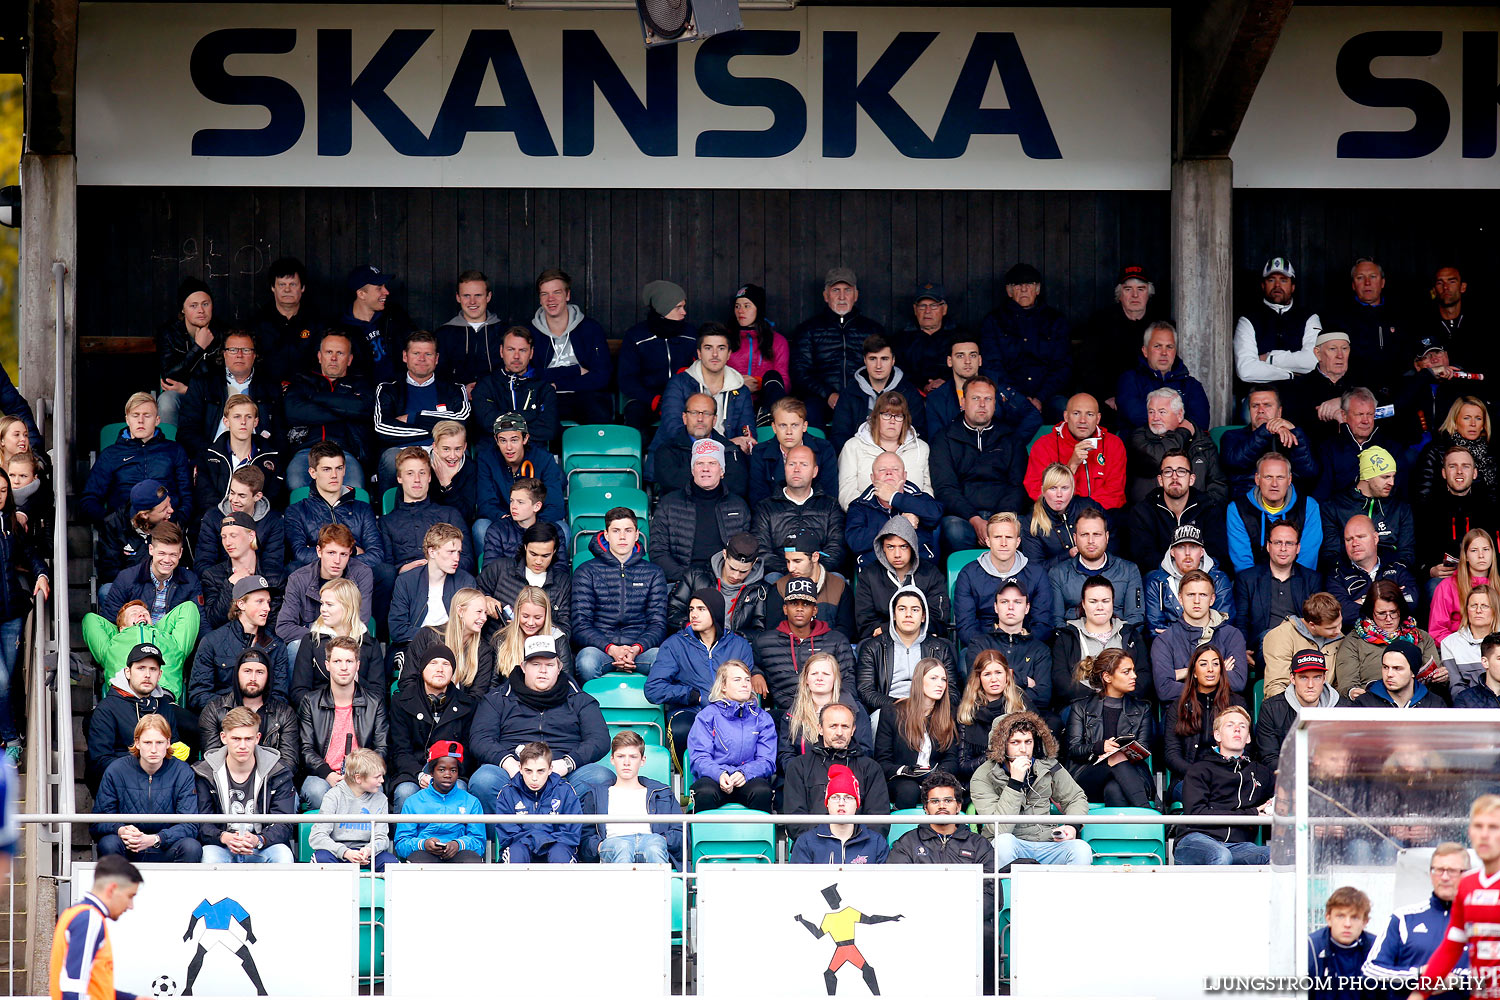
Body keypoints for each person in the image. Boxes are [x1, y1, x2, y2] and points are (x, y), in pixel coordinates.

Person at [469, 634, 613, 810]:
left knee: (600, 777)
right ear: (523, 667)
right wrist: (509, 764)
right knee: (484, 779)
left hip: (564, 772)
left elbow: (600, 739)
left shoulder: (579, 698)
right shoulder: (498, 698)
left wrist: (566, 764)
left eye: (549, 665)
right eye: (536, 664)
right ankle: (502, 837)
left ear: (559, 667)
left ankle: (577, 838)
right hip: (514, 770)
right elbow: (480, 738)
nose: (543, 670)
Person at [888, 771, 998, 981]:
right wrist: (929, 912)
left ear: (958, 807)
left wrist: (959, 912)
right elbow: (896, 887)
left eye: (948, 800)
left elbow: (993, 893)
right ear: (926, 808)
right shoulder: (907, 843)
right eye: (935, 801)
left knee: (986, 934)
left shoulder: (978, 844)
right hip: (919, 919)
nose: (942, 806)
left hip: (966, 918)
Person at [970, 710, 1092, 867]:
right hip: (1012, 842)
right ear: (1001, 745)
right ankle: (1006, 892)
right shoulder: (983, 775)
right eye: (1015, 742)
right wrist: (1015, 782)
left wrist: (1072, 826)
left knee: (1081, 848)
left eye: (1028, 742)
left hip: (1048, 842)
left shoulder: (1048, 765)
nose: (1023, 749)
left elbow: (1075, 798)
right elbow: (1000, 829)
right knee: (1004, 843)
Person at [647, 589, 754, 759]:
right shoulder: (675, 644)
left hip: (731, 711)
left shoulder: (739, 645)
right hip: (690, 710)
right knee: (682, 728)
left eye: (701, 609)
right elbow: (653, 689)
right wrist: (693, 695)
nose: (694, 614)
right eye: (691, 609)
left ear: (715, 612)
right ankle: (687, 780)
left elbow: (747, 687)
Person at [931, 376, 1031, 551]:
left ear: (995, 403)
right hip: (963, 518)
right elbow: (945, 488)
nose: (982, 404)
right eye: (976, 398)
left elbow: (1018, 485)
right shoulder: (944, 438)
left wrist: (998, 522)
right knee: (954, 530)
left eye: (988, 399)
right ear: (963, 402)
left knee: (1027, 528)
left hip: (1004, 515)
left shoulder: (1011, 438)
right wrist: (974, 519)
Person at [572, 508, 668, 682]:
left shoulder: (653, 573)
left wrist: (636, 649)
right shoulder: (587, 571)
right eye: (616, 531)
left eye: (628, 531)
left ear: (637, 534)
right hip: (600, 649)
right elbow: (580, 624)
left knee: (663, 659)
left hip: (640, 650)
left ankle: (654, 709)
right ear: (606, 535)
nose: (622, 537)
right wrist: (611, 649)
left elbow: (658, 623)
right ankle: (588, 709)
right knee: (586, 662)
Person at [85, 642, 194, 794]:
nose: (147, 675)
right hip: (122, 790)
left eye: (153, 669)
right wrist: (143, 764)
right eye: (141, 668)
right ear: (128, 672)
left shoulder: (165, 706)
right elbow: (100, 762)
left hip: (162, 789)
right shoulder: (106, 709)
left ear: (160, 674)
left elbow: (172, 745)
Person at [1364, 841, 1473, 993]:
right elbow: (1371, 970)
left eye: (1452, 871)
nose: (1445, 877)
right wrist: (1419, 973)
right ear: (1430, 874)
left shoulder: (1485, 922)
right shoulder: (1403, 918)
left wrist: (1458, 980)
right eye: (1439, 870)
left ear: (1467, 874)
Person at [193, 707, 297, 863]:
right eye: (236, 739)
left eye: (248, 739)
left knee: (283, 855)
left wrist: (259, 839)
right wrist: (223, 837)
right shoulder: (205, 772)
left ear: (257, 738)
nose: (242, 745)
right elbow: (201, 821)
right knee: (208, 857)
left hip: (262, 844)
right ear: (223, 737)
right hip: (221, 845)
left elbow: (284, 823)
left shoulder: (277, 771)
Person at [93, 714, 202, 863]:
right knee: (109, 843)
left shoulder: (182, 771)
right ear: (137, 743)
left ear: (168, 743)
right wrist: (121, 830)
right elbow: (98, 821)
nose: (154, 749)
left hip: (165, 845)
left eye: (159, 742)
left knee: (191, 847)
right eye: (147, 742)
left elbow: (190, 825)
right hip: (128, 845)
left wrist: (156, 839)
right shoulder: (116, 770)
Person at [1173, 706, 1274, 865]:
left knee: (1275, 856)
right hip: (1197, 839)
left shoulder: (1261, 773)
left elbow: (1283, 800)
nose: (1237, 729)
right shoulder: (1200, 769)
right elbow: (1197, 814)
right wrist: (1251, 813)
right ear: (1217, 735)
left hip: (1238, 846)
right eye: (1230, 725)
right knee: (1221, 855)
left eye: (1242, 726)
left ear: (1248, 737)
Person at [297, 636, 389, 808]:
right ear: (327, 665)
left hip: (363, 774)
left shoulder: (374, 703)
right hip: (323, 776)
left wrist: (361, 774)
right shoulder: (311, 701)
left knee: (377, 792)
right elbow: (305, 749)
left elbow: (381, 748)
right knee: (315, 790)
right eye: (337, 661)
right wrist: (328, 774)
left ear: (358, 665)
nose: (344, 667)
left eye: (349, 661)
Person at [80, 391, 194, 526]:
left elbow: (187, 496)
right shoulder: (110, 455)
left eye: (147, 415)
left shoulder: (174, 451)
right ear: (127, 420)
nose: (141, 420)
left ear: (157, 420)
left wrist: (177, 522)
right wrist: (112, 523)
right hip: (124, 529)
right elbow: (89, 499)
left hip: (165, 528)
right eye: (135, 415)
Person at [793, 267, 887, 430]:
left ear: (856, 295)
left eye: (847, 290)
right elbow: (800, 372)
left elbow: (884, 369)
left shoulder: (872, 330)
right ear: (826, 295)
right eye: (836, 290)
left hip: (862, 396)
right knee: (809, 411)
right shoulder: (808, 329)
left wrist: (857, 393)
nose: (842, 297)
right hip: (820, 399)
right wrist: (828, 394)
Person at [390, 643, 478, 810]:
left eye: (446, 664)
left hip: (452, 773)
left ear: (453, 672)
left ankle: (455, 837)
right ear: (422, 669)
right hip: (412, 773)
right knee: (405, 792)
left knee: (458, 788)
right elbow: (400, 750)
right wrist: (420, 775)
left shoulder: (467, 705)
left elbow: (468, 752)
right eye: (433, 663)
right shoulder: (401, 702)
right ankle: (405, 837)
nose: (440, 669)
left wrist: (447, 774)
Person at [649, 438, 752, 581]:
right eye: (699, 463)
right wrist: (689, 579)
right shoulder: (668, 504)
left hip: (726, 582)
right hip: (681, 581)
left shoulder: (738, 506)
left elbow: (746, 551)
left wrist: (726, 578)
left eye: (712, 463)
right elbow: (658, 551)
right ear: (692, 470)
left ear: (722, 470)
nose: (705, 469)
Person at [1064, 649, 1157, 809]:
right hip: (1088, 773)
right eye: (1126, 672)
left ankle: (1119, 833)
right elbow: (1073, 749)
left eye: (1133, 671)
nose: (1134, 676)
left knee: (1114, 789)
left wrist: (1122, 752)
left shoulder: (1142, 709)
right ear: (1107, 677)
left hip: (1132, 774)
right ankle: (1148, 813)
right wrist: (1099, 747)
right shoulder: (1080, 707)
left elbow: (1144, 750)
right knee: (1115, 759)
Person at [979, 262, 1072, 421]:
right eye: (1017, 285)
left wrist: (1040, 398)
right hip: (1008, 398)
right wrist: (1017, 398)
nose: (1023, 289)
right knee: (991, 412)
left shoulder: (1055, 321)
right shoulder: (994, 321)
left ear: (1037, 289)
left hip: (1048, 397)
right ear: (1009, 291)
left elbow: (1063, 366)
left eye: (1029, 284)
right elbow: (992, 366)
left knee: (1066, 410)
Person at [282, 331, 374, 489]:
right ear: (319, 356)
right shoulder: (303, 381)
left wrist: (315, 397)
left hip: (345, 453)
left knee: (354, 487)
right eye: (329, 352)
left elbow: (363, 408)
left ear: (350, 359)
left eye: (340, 353)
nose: (333, 358)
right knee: (297, 484)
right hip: (306, 453)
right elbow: (294, 412)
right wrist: (345, 410)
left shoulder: (360, 383)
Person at [750, 576, 857, 713]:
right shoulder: (764, 641)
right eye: (794, 603)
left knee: (858, 711)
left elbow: (848, 681)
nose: (800, 608)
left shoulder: (836, 640)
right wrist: (756, 673)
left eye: (806, 604)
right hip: (787, 712)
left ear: (815, 610)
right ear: (785, 609)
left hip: (828, 711)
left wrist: (835, 710)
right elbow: (749, 662)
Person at [283, 441, 386, 580]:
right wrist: (353, 552)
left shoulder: (362, 508)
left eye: (338, 468)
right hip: (317, 575)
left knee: (386, 572)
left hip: (356, 576)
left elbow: (377, 553)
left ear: (344, 470)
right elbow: (299, 553)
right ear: (313, 472)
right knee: (294, 569)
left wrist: (342, 562)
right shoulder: (297, 511)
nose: (334, 475)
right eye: (326, 469)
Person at [954, 512, 1060, 644]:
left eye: (1009, 537)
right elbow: (966, 628)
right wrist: (993, 651)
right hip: (983, 648)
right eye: (997, 537)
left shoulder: (1036, 574)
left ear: (1018, 541)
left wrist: (1017, 647)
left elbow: (1043, 624)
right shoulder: (968, 574)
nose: (1003, 543)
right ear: (988, 541)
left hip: (1025, 646)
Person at [188, 575, 289, 713]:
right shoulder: (212, 641)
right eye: (259, 601)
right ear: (241, 604)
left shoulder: (277, 645)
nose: (267, 608)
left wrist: (255, 713)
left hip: (262, 720)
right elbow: (198, 694)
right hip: (222, 719)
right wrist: (235, 711)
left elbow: (280, 696)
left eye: (268, 602)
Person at [655, 322, 756, 458]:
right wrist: (725, 444)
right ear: (699, 353)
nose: (715, 354)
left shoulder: (740, 390)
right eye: (708, 348)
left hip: (727, 461)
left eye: (721, 348)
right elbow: (674, 432)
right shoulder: (679, 384)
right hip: (680, 459)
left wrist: (746, 442)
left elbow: (747, 433)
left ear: (729, 354)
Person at [49, 855, 142, 1000]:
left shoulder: (76, 913)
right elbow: (74, 988)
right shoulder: (90, 919)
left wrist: (132, 999)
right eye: (130, 896)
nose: (131, 906)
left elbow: (89, 987)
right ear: (112, 889)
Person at [82, 599, 200, 714]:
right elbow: (90, 620)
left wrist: (152, 629)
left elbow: (189, 608)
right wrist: (127, 631)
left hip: (164, 699)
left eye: (145, 614)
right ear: (121, 628)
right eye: (134, 613)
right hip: (124, 700)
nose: (141, 615)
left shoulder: (172, 642)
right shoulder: (111, 646)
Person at [686, 660, 776, 811]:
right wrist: (720, 774)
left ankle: (757, 836)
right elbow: (699, 758)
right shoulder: (706, 716)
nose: (745, 684)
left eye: (747, 679)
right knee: (705, 792)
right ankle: (705, 835)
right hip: (714, 779)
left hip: (749, 778)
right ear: (723, 686)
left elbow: (767, 761)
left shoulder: (763, 718)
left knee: (762, 791)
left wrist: (745, 773)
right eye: (737, 679)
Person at [178, 330, 283, 459]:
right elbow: (187, 430)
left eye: (246, 350)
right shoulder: (203, 383)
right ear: (224, 354)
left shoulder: (270, 386)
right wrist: (209, 454)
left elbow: (280, 432)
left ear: (254, 355)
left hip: (258, 458)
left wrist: (267, 457)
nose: (239, 355)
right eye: (233, 350)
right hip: (213, 457)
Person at [1075, 264, 1166, 412]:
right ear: (1120, 294)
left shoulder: (1160, 323)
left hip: (1150, 399)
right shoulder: (1100, 322)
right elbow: (1088, 365)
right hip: (1110, 400)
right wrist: (1107, 396)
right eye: (1128, 289)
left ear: (1149, 293)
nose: (1135, 295)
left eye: (1141, 289)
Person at [1049, 575, 1148, 708]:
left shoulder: (1130, 635)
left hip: (1125, 706)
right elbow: (1061, 681)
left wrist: (1115, 699)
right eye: (1093, 601)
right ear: (1083, 604)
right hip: (1081, 707)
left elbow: (1144, 677)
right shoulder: (1067, 637)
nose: (1100, 607)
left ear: (1113, 602)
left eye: (1105, 601)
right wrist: (1098, 698)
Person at [855, 587, 957, 715]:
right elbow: (865, 691)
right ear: (894, 615)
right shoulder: (873, 647)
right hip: (888, 709)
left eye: (915, 610)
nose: (908, 614)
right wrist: (896, 704)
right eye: (902, 609)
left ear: (923, 616)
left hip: (931, 710)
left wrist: (927, 706)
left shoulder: (940, 648)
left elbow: (953, 692)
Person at [276, 524, 374, 657]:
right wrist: (324, 635)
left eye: (343, 554)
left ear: (350, 553)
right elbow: (284, 627)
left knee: (367, 645)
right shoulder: (298, 579)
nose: (337, 561)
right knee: (296, 646)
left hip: (349, 642)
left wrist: (337, 638)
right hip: (313, 643)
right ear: (319, 551)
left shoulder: (362, 573)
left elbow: (360, 620)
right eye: (331, 553)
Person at [873, 658, 959, 809]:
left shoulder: (950, 713)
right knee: (909, 790)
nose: (940, 684)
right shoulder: (892, 712)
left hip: (937, 778)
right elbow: (883, 762)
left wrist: (935, 775)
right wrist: (906, 771)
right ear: (919, 681)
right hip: (902, 780)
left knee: (946, 792)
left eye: (943, 679)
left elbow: (951, 759)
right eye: (933, 678)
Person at [530, 267, 612, 424]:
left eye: (557, 292)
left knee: (598, 411)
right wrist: (575, 370)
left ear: (567, 295)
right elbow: (528, 375)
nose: (550, 299)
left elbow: (602, 376)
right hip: (546, 396)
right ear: (540, 299)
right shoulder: (530, 332)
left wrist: (557, 384)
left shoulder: (590, 328)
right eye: (544, 294)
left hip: (585, 393)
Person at [963, 585, 1055, 724]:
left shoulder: (1040, 649)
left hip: (1028, 722)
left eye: (1017, 602)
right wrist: (1024, 680)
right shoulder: (979, 644)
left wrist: (998, 689)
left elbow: (1043, 697)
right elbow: (976, 688)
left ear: (1027, 608)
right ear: (996, 607)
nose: (1010, 607)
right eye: (1004, 602)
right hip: (985, 719)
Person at [1335, 581, 1442, 700]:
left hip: (1417, 704)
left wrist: (1441, 677)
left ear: (1401, 609)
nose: (1388, 619)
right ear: (1371, 612)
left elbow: (1436, 680)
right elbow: (1347, 685)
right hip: (1372, 705)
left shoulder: (1422, 637)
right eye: (1381, 614)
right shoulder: (1354, 641)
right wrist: (1352, 692)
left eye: (1393, 612)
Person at [617, 279, 698, 434]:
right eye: (678, 307)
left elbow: (700, 368)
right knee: (636, 422)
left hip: (684, 399)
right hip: (646, 400)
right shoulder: (636, 336)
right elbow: (626, 378)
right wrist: (653, 399)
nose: (684, 312)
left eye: (684, 306)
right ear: (663, 308)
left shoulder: (691, 334)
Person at [1125, 387, 1229, 507]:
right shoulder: (1139, 437)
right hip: (1151, 516)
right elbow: (1157, 459)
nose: (1155, 418)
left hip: (1196, 516)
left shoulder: (1201, 441)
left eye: (1162, 412)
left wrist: (1200, 511)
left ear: (1179, 415)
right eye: (1151, 412)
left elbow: (1218, 486)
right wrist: (1183, 432)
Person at [751, 445, 846, 575]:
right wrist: (791, 571)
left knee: (837, 580)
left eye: (804, 464)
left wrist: (813, 571)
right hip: (781, 574)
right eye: (791, 464)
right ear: (785, 468)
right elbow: (762, 551)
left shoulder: (830, 506)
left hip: (821, 573)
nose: (796, 469)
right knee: (772, 579)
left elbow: (836, 548)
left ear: (815, 471)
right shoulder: (765, 507)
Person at [1163, 644, 1250, 785]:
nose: (1210, 669)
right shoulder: (1179, 706)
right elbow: (1171, 754)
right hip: (1190, 777)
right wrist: (1197, 774)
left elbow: (1248, 748)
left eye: (1215, 664)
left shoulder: (1237, 703)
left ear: (1221, 670)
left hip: (1229, 776)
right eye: (1203, 664)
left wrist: (1225, 773)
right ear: (1195, 672)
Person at [1022, 393, 1127, 511]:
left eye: (1090, 414)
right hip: (1058, 515)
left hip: (1101, 515)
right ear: (1066, 416)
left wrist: (1082, 513)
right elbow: (1036, 490)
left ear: (1098, 419)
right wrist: (1071, 466)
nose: (1083, 420)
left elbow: (1115, 492)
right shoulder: (1044, 445)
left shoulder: (1113, 444)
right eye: (1076, 413)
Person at [782, 701, 887, 817]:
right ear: (820, 729)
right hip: (813, 835)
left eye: (845, 726)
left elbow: (878, 820)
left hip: (862, 835)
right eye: (833, 726)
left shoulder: (871, 769)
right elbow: (795, 819)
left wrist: (852, 834)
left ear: (853, 730)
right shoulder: (799, 766)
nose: (839, 733)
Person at [288, 577, 383, 706]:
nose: (322, 609)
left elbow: (378, 694)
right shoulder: (311, 641)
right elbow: (299, 692)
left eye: (329, 604)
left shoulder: (370, 644)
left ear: (347, 607)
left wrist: (355, 680)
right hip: (319, 717)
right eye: (322, 603)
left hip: (360, 716)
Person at [593, 731, 684, 866]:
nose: (626, 762)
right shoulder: (596, 793)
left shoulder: (662, 793)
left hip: (651, 842)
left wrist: (662, 840)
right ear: (612, 759)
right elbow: (585, 836)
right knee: (623, 847)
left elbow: (680, 832)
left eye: (633, 757)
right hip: (615, 844)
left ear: (643, 760)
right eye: (621, 756)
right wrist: (599, 846)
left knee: (654, 846)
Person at [199, 649, 298, 773]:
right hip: (227, 782)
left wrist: (260, 781)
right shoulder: (214, 710)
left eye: (260, 672)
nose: (253, 678)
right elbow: (213, 757)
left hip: (272, 784)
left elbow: (288, 762)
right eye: (247, 671)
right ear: (237, 674)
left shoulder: (284, 713)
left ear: (268, 676)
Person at [852, 515, 948, 641]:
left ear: (913, 546)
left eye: (903, 546)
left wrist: (886, 628)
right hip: (882, 643)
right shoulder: (869, 575)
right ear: (882, 548)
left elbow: (939, 620)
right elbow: (865, 624)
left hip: (923, 640)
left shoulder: (930, 573)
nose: (897, 554)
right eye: (890, 547)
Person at [1235, 522, 1323, 659]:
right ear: (1268, 546)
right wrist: (1241, 650)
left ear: (1298, 548)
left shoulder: (1312, 579)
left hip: (1302, 644)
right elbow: (1241, 620)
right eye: (1277, 543)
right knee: (1269, 637)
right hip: (1263, 645)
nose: (1283, 548)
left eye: (1289, 543)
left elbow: (1317, 621)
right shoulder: (1247, 579)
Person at [474, 412, 565, 545]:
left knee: (562, 529)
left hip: (536, 522)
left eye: (514, 440)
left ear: (525, 438)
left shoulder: (543, 459)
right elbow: (485, 503)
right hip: (503, 522)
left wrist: (531, 523)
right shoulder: (487, 459)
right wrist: (508, 521)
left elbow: (555, 506)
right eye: (503, 440)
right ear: (496, 440)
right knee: (480, 527)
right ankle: (490, 566)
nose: (509, 447)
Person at [1128, 450, 1229, 569]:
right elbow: (1143, 558)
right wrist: (1176, 570)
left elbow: (1217, 555)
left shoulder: (1208, 508)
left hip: (1200, 578)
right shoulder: (1143, 512)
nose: (1174, 477)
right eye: (1168, 472)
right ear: (1160, 480)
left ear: (1191, 479)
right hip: (1161, 580)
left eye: (1181, 471)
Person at [1226, 452, 1324, 573]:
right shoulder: (1237, 509)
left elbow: (1307, 559)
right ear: (1257, 479)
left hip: (1299, 584)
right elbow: (1243, 564)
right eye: (1268, 477)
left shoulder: (1308, 506)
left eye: (1280, 477)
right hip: (1253, 586)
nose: (1274, 484)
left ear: (1289, 479)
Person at [1046, 507, 1144, 626]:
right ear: (1075, 538)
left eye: (1097, 534)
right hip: (1074, 640)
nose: (1091, 540)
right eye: (1084, 535)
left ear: (1107, 537)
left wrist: (1117, 642)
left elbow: (1135, 618)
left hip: (1119, 641)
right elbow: (1056, 621)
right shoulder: (1058, 573)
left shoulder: (1129, 570)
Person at [837, 388, 934, 508]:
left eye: (898, 416)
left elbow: (927, 490)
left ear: (905, 420)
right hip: (867, 518)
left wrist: (916, 513)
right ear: (876, 417)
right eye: (887, 415)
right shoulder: (853, 446)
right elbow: (847, 493)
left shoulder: (922, 448)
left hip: (911, 516)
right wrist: (873, 514)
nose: (892, 421)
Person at [381, 447, 473, 574]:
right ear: (399, 478)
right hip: (406, 584)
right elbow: (385, 569)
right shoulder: (387, 522)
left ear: (429, 477)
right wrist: (402, 569)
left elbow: (467, 561)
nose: (417, 479)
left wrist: (437, 566)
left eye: (422, 473)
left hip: (448, 582)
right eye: (410, 473)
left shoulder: (450, 515)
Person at [1321, 445, 1416, 566]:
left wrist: (1390, 576)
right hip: (1349, 578)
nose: (1392, 483)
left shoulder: (1400, 508)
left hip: (1391, 576)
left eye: (1393, 476)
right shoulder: (1334, 507)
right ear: (1367, 476)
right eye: (1385, 477)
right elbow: (1331, 556)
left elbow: (1407, 555)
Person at [1232, 254, 1320, 386]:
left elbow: (1314, 361)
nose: (1277, 285)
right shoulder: (1248, 320)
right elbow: (1246, 370)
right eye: (1271, 280)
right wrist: (1290, 375)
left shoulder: (1309, 317)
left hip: (1301, 393)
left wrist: (1270, 359)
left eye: (1284, 280)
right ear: (1263, 285)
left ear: (1293, 286)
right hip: (1260, 396)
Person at [394, 740, 486, 864]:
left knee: (472, 860)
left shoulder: (471, 802)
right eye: (441, 770)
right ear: (431, 772)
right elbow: (401, 844)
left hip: (459, 852)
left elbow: (479, 842)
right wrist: (424, 844)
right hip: (424, 852)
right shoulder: (413, 802)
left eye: (453, 770)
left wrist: (458, 844)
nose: (448, 775)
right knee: (419, 862)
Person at [1326, 256, 1407, 395]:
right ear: (1353, 284)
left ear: (1382, 282)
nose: (1367, 283)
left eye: (1373, 277)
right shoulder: (1339, 319)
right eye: (1360, 278)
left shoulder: (1400, 315)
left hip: (1397, 392)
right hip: (1355, 394)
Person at [844, 451, 942, 566]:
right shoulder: (859, 505)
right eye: (882, 470)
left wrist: (894, 497)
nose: (889, 473)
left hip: (919, 570)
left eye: (895, 469)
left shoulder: (919, 499)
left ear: (904, 476)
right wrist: (899, 523)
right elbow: (855, 542)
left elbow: (935, 515)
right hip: (875, 572)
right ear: (872, 477)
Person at [308, 747, 399, 870]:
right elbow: (317, 836)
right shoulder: (333, 796)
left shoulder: (381, 799)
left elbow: (381, 837)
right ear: (358, 778)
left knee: (391, 864)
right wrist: (345, 852)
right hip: (338, 853)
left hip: (367, 854)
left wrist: (368, 850)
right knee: (321, 859)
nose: (382, 781)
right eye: (377, 777)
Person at [829, 334, 924, 449]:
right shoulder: (850, 393)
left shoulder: (908, 393)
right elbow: (840, 436)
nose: (878, 366)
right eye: (873, 359)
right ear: (865, 360)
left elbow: (917, 434)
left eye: (884, 359)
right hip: (859, 457)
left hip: (898, 458)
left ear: (893, 360)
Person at [389, 522, 477, 646]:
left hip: (454, 647)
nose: (456, 558)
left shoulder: (465, 581)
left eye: (458, 552)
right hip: (415, 646)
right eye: (451, 552)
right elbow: (397, 630)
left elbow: (468, 627)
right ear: (432, 552)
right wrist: (436, 637)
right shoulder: (407, 581)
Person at [495, 742, 584, 864]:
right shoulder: (507, 793)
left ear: (550, 769)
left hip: (557, 849)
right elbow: (508, 836)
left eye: (541, 771)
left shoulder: (565, 791)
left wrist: (541, 842)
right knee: (516, 852)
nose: (534, 778)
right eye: (528, 771)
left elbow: (570, 835)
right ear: (520, 768)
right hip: (521, 848)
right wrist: (540, 840)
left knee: (560, 853)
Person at [1115, 320, 1211, 432]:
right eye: (1157, 346)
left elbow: (1200, 421)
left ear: (1175, 351)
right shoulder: (1130, 380)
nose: (1164, 352)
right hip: (1139, 446)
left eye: (1169, 347)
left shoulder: (1191, 385)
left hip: (1181, 447)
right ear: (1145, 351)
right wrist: (1178, 423)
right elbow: (1134, 415)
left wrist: (1171, 434)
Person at [1419, 446, 1496, 586]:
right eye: (1453, 466)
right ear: (1444, 473)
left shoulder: (1488, 507)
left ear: (1474, 473)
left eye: (1465, 467)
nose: (1459, 472)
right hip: (1445, 580)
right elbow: (1418, 553)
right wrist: (1429, 571)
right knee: (1433, 587)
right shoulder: (1429, 508)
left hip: (1484, 577)